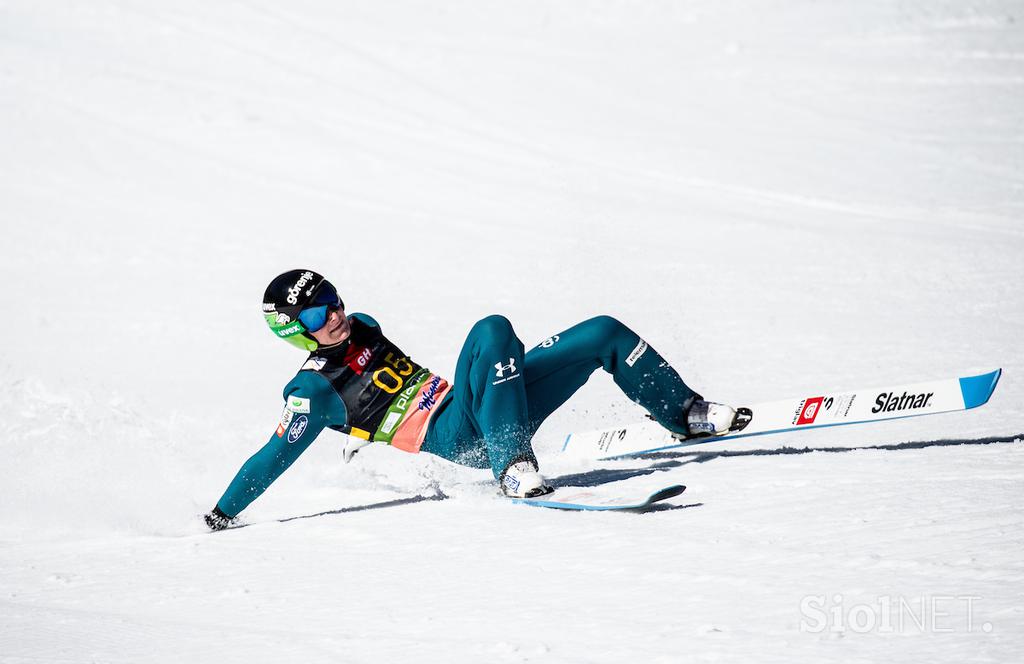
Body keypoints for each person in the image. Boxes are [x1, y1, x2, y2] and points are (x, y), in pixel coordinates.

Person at [203, 269, 738, 530]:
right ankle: (512, 469)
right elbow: (272, 456)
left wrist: (359, 443)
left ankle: (684, 413)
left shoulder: (364, 325)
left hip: (484, 402)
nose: (336, 314)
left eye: (332, 300)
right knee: (491, 328)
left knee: (601, 332)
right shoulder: (310, 391)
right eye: (317, 315)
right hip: (462, 437)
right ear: (295, 331)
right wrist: (221, 515)